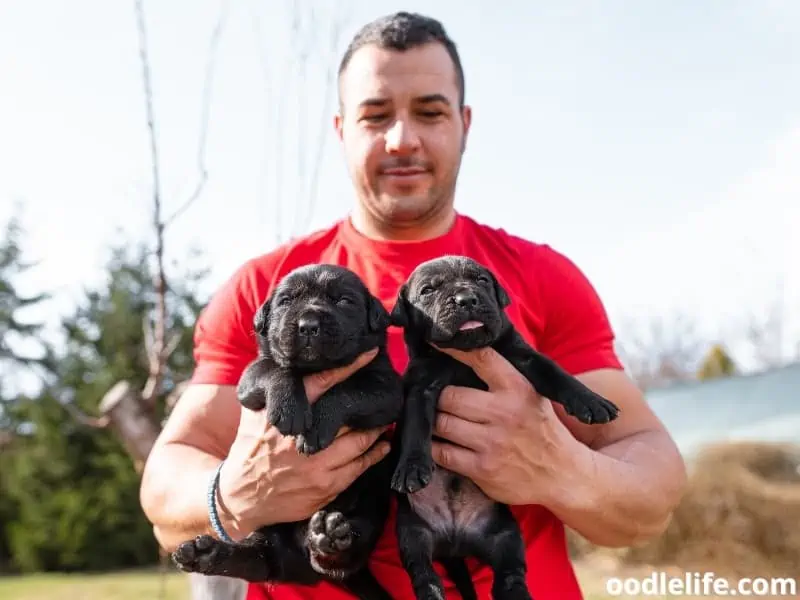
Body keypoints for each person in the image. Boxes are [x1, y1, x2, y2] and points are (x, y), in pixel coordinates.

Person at [139, 11, 687, 600]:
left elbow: (651, 494)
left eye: (429, 111)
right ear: (341, 128)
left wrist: (562, 469)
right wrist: (234, 492)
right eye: (376, 115)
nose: (403, 138)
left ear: (464, 124)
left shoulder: (542, 277)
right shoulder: (265, 286)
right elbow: (166, 493)